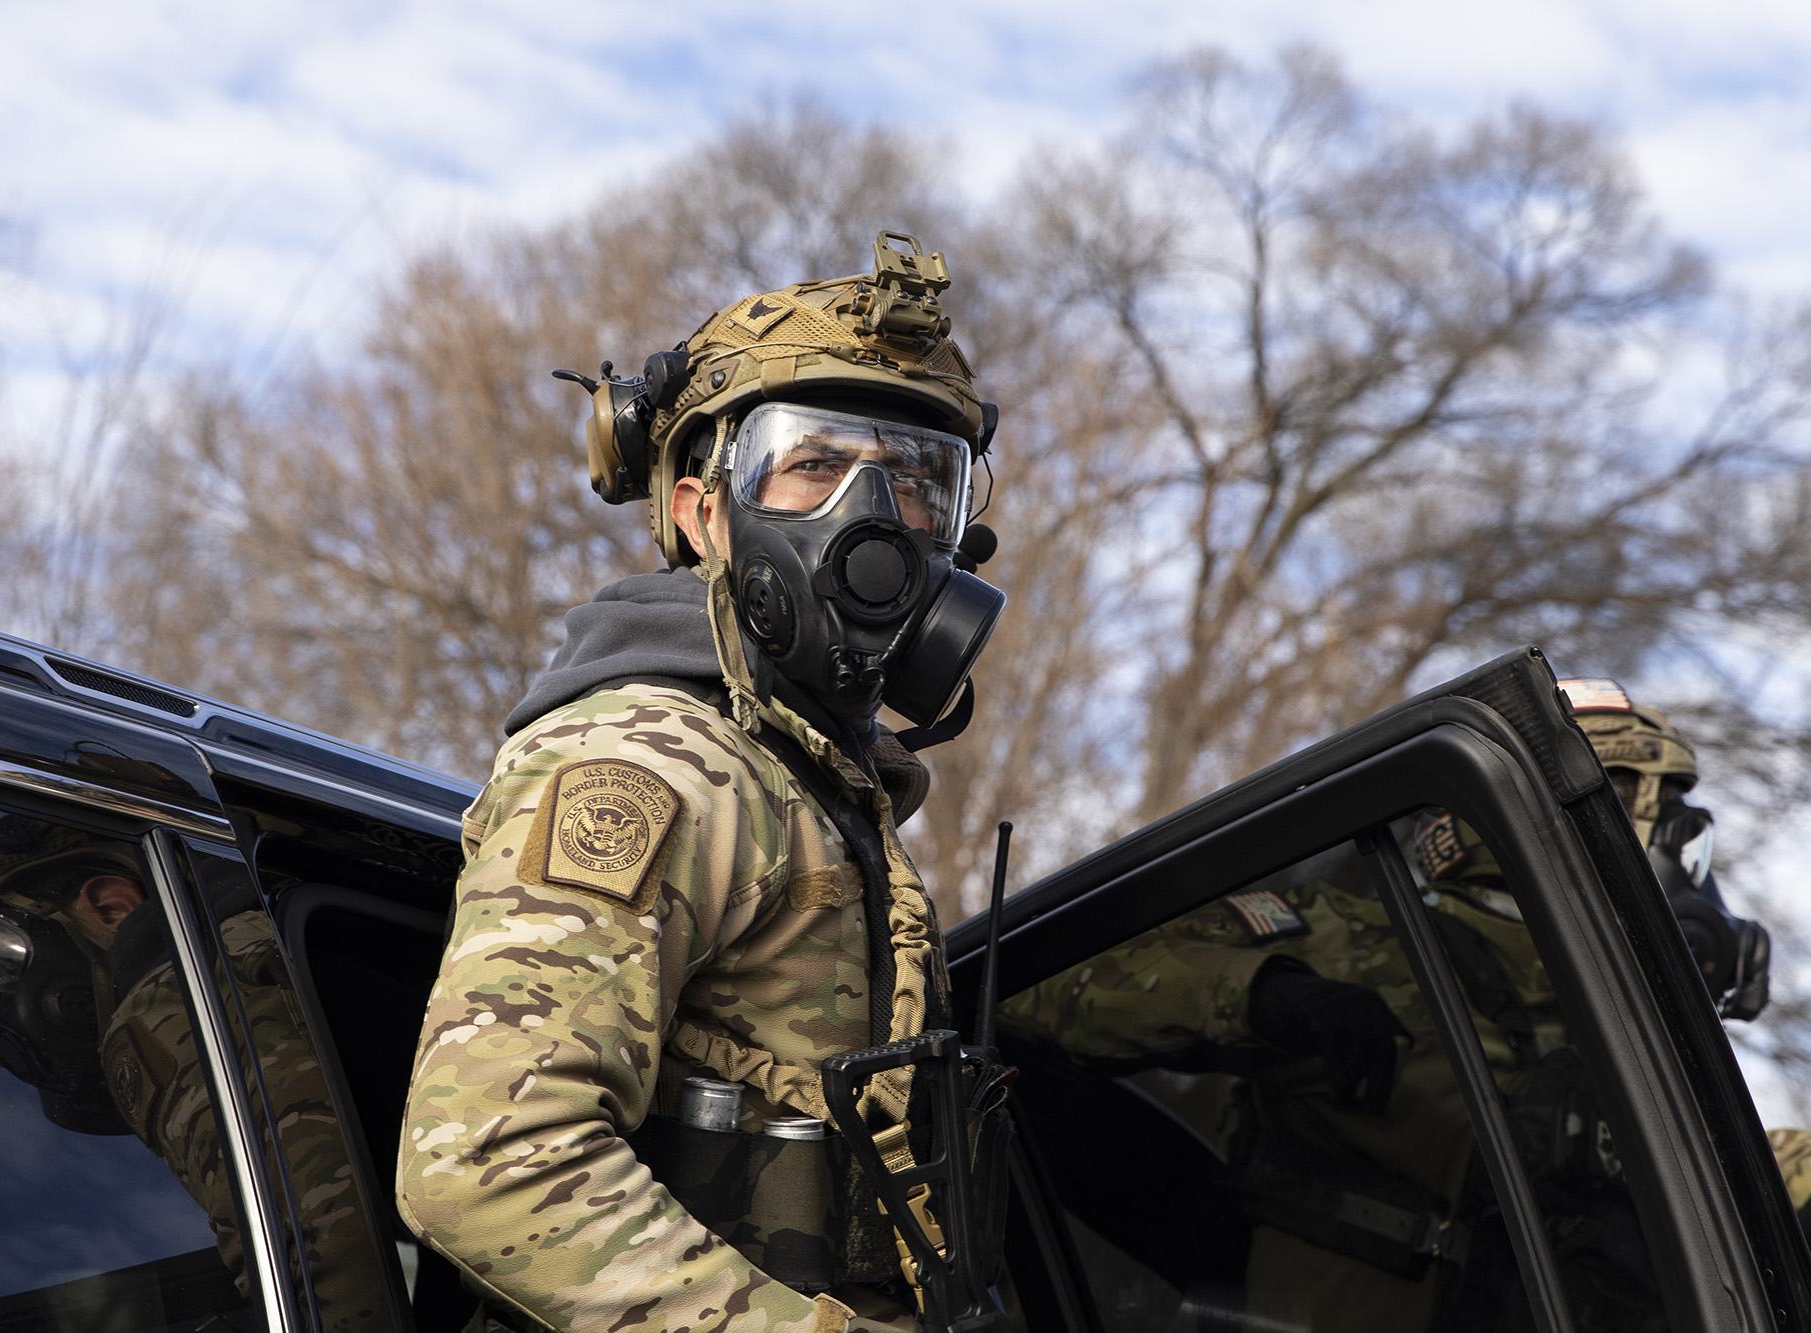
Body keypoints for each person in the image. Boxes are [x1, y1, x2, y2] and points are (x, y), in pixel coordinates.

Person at [396, 233, 1009, 1333]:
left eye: (919, 480)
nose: (871, 517)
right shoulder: (647, 759)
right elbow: (485, 1159)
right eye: (814, 464)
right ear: (700, 513)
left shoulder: (807, 778)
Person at [997, 677, 1773, 1332]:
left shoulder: (1613, 1028)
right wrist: (1265, 995)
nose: (1688, 871)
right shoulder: (1365, 941)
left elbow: (1759, 1174)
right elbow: (1037, 986)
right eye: (1672, 829)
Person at [0, 813, 390, 1331]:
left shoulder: (186, 1000)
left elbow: (334, 1255)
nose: (3, 999)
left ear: (112, 908)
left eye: (0, 956)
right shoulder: (292, 955)